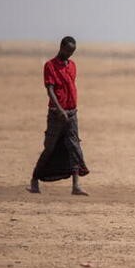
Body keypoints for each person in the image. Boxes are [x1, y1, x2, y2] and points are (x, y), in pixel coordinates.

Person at [27, 36, 90, 195]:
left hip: (72, 113)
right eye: (68, 50)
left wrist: (69, 109)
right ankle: (34, 180)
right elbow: (50, 89)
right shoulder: (50, 66)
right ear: (61, 47)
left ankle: (76, 186)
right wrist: (60, 109)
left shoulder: (73, 65)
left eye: (72, 52)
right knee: (50, 148)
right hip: (56, 114)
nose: (69, 54)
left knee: (74, 147)